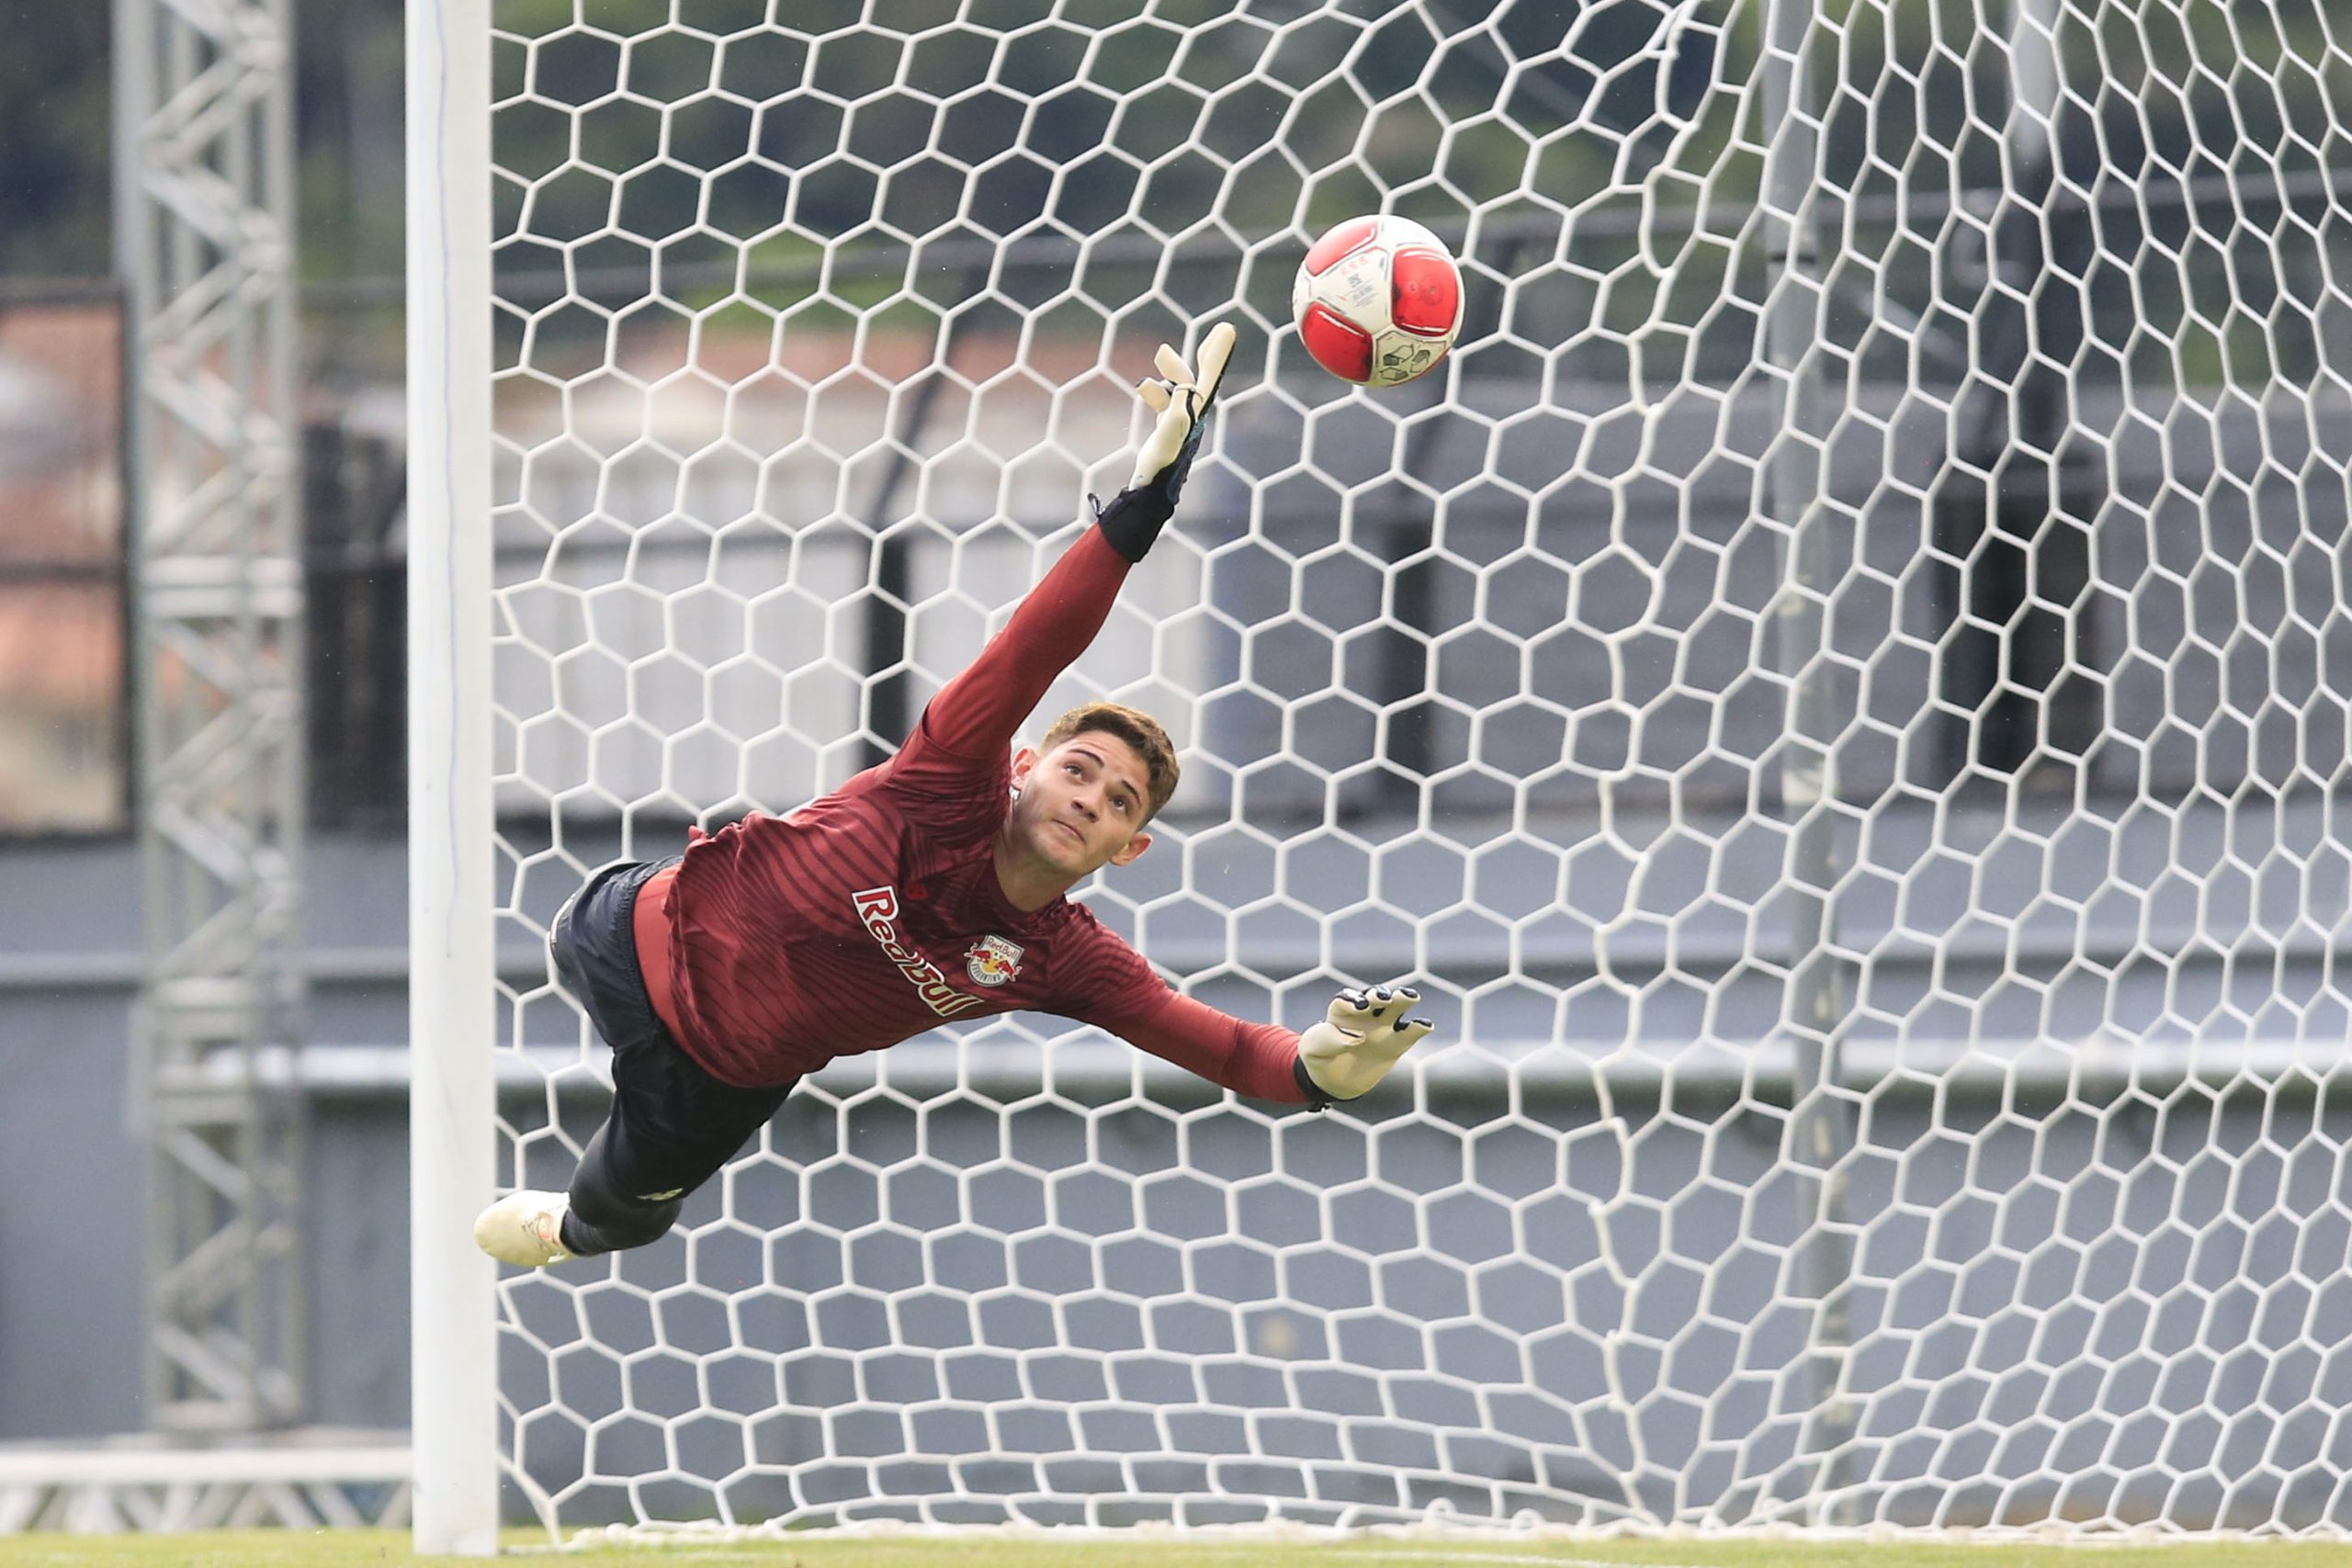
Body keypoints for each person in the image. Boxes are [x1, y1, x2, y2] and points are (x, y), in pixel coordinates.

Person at [475, 324, 1435, 1268]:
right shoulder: (944, 782)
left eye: (1120, 803)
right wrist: (1132, 518)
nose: (1092, 798)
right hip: (621, 938)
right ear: (1022, 766)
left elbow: (1228, 1051)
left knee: (626, 1219)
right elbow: (1031, 649)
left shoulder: (1064, 961)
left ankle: (562, 1233)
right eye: (1078, 769)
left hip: (716, 1075)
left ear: (1127, 849)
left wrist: (1321, 1071)